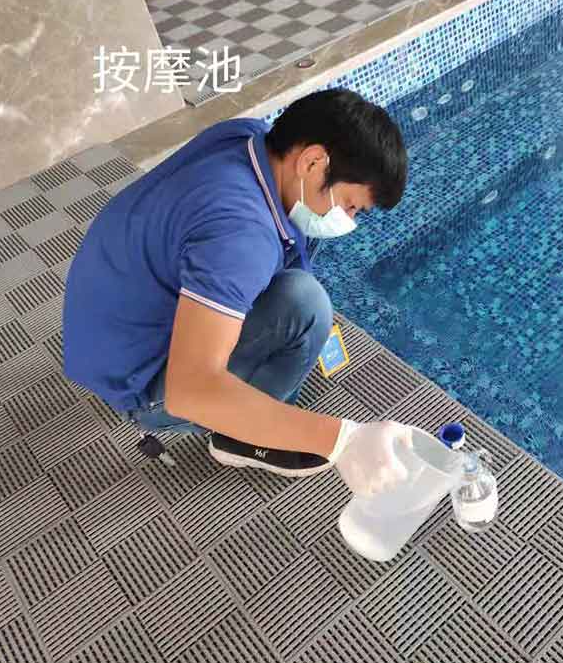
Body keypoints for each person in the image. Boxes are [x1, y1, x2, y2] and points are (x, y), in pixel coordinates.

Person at [63, 89, 410, 496]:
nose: (348, 220)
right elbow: (191, 391)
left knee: (302, 247)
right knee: (306, 307)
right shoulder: (241, 236)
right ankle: (238, 438)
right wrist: (343, 441)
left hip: (104, 334)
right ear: (313, 162)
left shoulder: (247, 138)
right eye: (351, 206)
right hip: (138, 382)